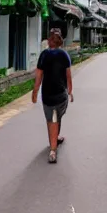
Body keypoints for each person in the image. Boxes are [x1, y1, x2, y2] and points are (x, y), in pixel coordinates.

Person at [32, 28, 74, 163]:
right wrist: (70, 91)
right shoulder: (64, 55)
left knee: (52, 120)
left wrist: (35, 92)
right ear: (60, 41)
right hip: (61, 95)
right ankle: (54, 145)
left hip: (48, 95)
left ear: (49, 41)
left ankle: (53, 148)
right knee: (56, 118)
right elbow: (68, 76)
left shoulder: (44, 55)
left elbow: (38, 77)